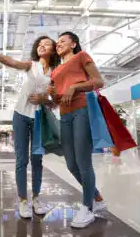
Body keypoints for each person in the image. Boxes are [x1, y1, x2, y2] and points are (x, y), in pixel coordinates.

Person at [0, 36, 59, 219]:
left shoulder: (56, 73)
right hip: (20, 116)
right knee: (21, 160)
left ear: (54, 50)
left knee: (37, 160)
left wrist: (45, 99)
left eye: (47, 43)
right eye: (40, 44)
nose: (42, 45)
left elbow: (55, 103)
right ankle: (23, 200)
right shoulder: (30, 65)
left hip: (38, 118)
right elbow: (10, 62)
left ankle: (36, 198)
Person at [47, 31, 106, 228]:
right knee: (71, 164)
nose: (58, 44)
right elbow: (56, 102)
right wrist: (53, 95)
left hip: (82, 111)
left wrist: (75, 88)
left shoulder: (82, 56)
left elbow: (99, 81)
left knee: (83, 161)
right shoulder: (55, 71)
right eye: (57, 43)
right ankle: (97, 197)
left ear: (74, 44)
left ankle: (87, 208)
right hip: (64, 115)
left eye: (63, 41)